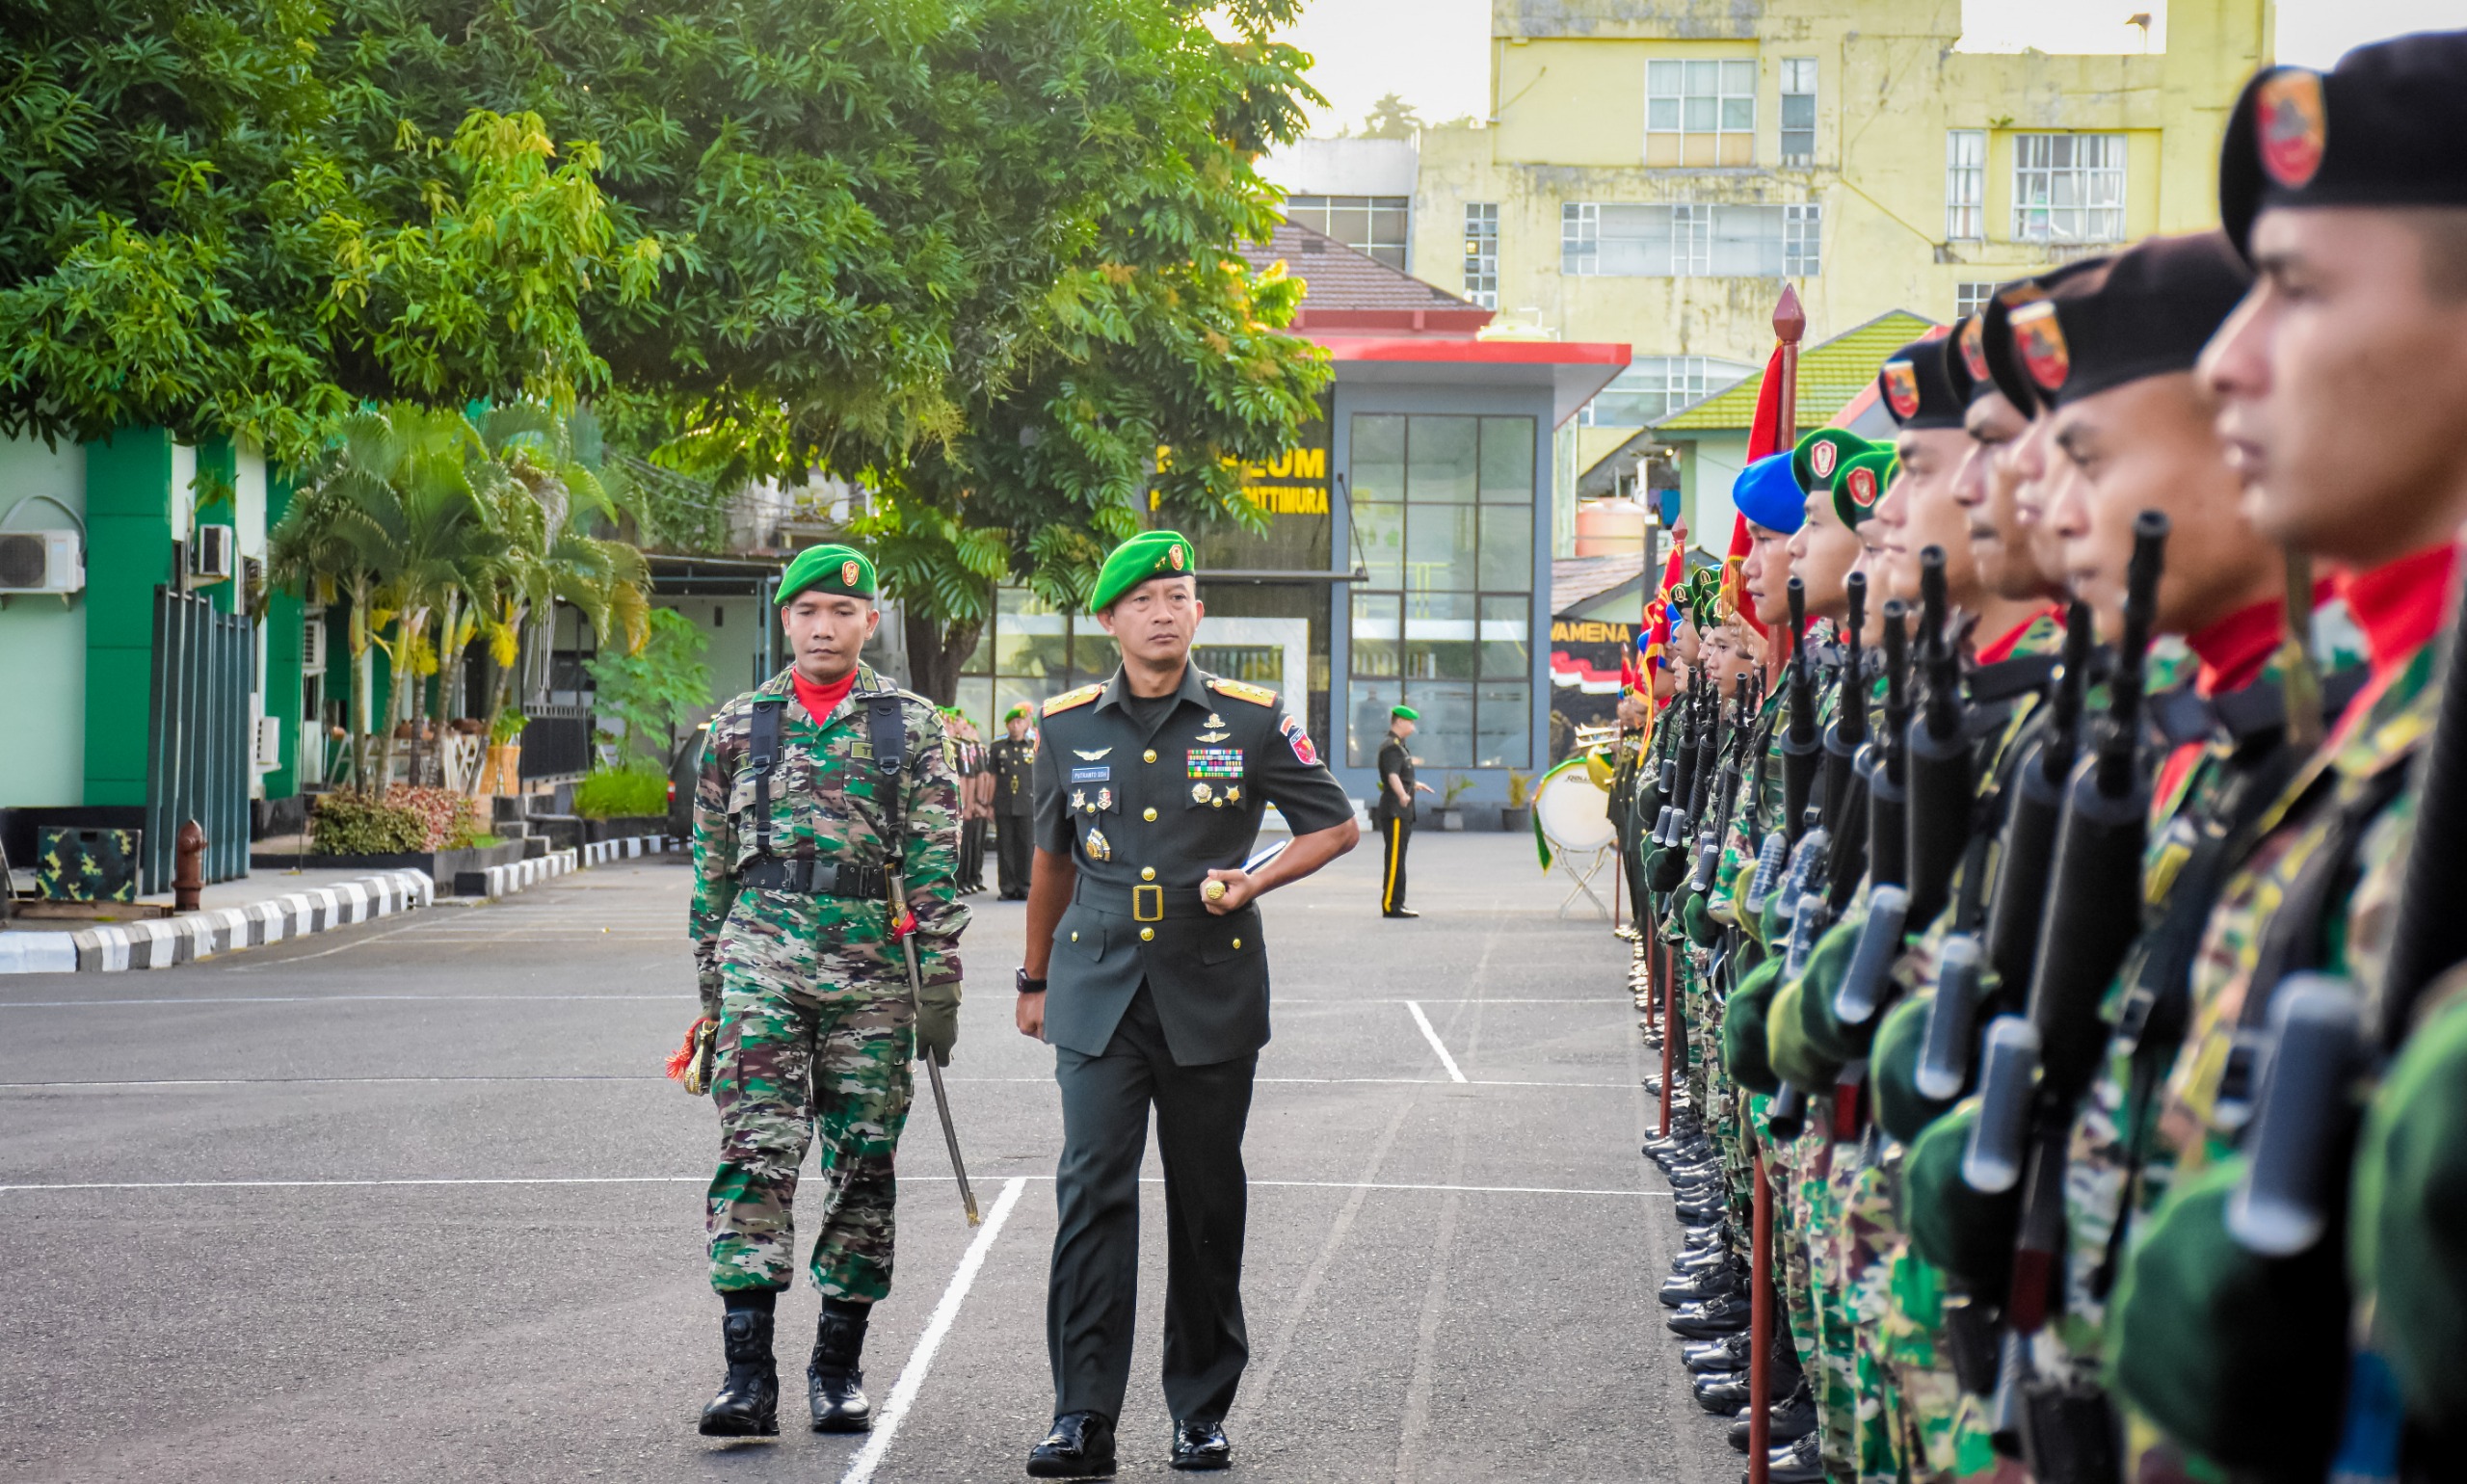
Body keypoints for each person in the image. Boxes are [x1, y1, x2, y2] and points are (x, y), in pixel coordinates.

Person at [1014, 531, 1360, 1478]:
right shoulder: (1066, 724)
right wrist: (1033, 977)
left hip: (1210, 985)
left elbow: (1335, 825)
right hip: (1095, 989)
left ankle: (1199, 1409)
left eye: (1177, 594)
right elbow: (1050, 861)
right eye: (1143, 599)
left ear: (1196, 612)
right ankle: (1081, 1413)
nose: (1163, 612)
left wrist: (1254, 881)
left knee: (1207, 1198)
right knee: (1092, 1190)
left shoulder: (1250, 720)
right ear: (1111, 620)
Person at [685, 543, 968, 1439]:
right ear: (785, 618)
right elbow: (712, 873)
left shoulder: (912, 727)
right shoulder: (737, 727)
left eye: (843, 613)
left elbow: (934, 867)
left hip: (874, 975)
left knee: (864, 1158)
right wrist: (712, 995)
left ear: (868, 622)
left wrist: (940, 989)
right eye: (808, 611)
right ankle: (747, 1378)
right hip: (761, 958)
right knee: (756, 1154)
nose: (823, 626)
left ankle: (837, 1369)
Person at [1370, 705, 1432, 918]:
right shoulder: (1392, 747)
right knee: (1395, 859)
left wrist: (1414, 785)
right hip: (1396, 810)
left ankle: (1397, 902)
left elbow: (1401, 776)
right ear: (1399, 722)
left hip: (1401, 811)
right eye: (1410, 723)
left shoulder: (1399, 747)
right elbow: (1392, 776)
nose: (1413, 728)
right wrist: (1403, 795)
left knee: (1399, 858)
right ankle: (1391, 904)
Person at [991, 704, 1039, 900]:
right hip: (1004, 803)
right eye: (1012, 722)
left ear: (1025, 724)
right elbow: (991, 777)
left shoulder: (1033, 746)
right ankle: (1008, 887)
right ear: (1007, 725)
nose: (1015, 726)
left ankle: (1025, 885)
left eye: (1019, 722)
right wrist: (987, 803)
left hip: (1027, 803)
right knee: (1005, 847)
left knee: (1027, 846)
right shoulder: (997, 747)